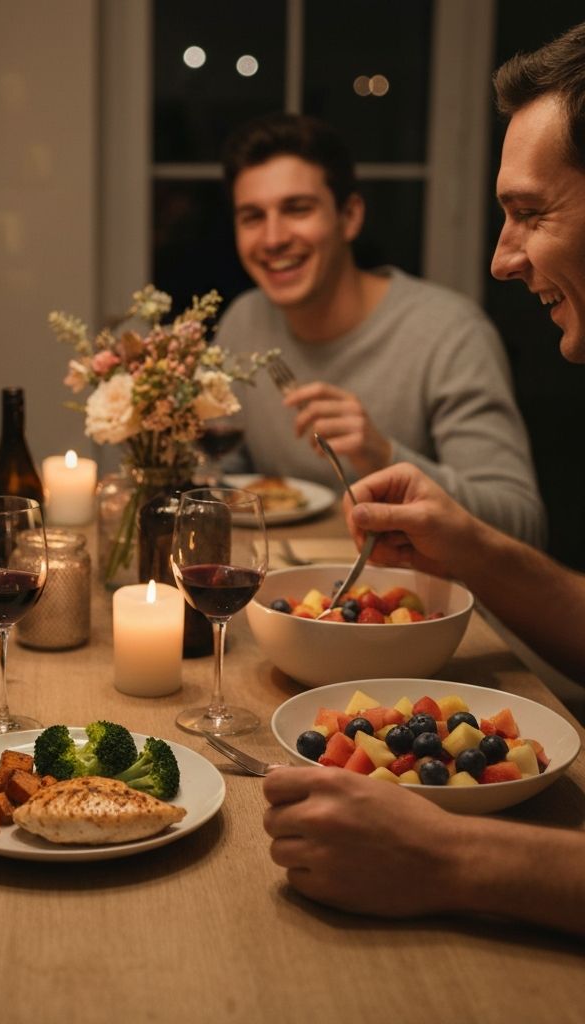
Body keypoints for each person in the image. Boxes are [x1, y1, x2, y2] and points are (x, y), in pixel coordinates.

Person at [263, 23, 585, 938]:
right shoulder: (249, 322)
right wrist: (470, 549)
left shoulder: (444, 327)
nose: (501, 257)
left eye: (531, 212)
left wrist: (456, 858)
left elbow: (521, 504)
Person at [217, 112, 545, 547]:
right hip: (286, 589)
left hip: (417, 599)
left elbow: (521, 524)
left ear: (349, 217)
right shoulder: (243, 321)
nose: (273, 238)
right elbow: (223, 471)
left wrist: (383, 456)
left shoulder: (448, 332)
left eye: (297, 209)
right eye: (252, 217)